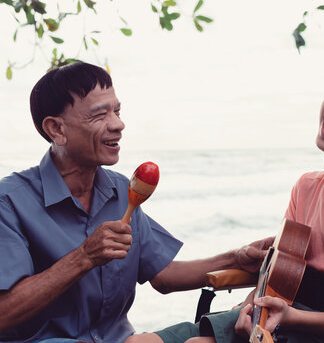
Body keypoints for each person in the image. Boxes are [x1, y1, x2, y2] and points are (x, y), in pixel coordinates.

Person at [126, 63, 324, 343]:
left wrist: (291, 317)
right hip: (273, 320)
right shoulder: (306, 188)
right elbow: (279, 274)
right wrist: (249, 309)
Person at [0, 62, 273, 343]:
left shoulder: (121, 189)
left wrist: (236, 256)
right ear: (56, 129)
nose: (118, 124)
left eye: (117, 111)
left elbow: (164, 276)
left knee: (232, 329)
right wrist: (84, 257)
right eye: (99, 115)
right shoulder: (8, 202)